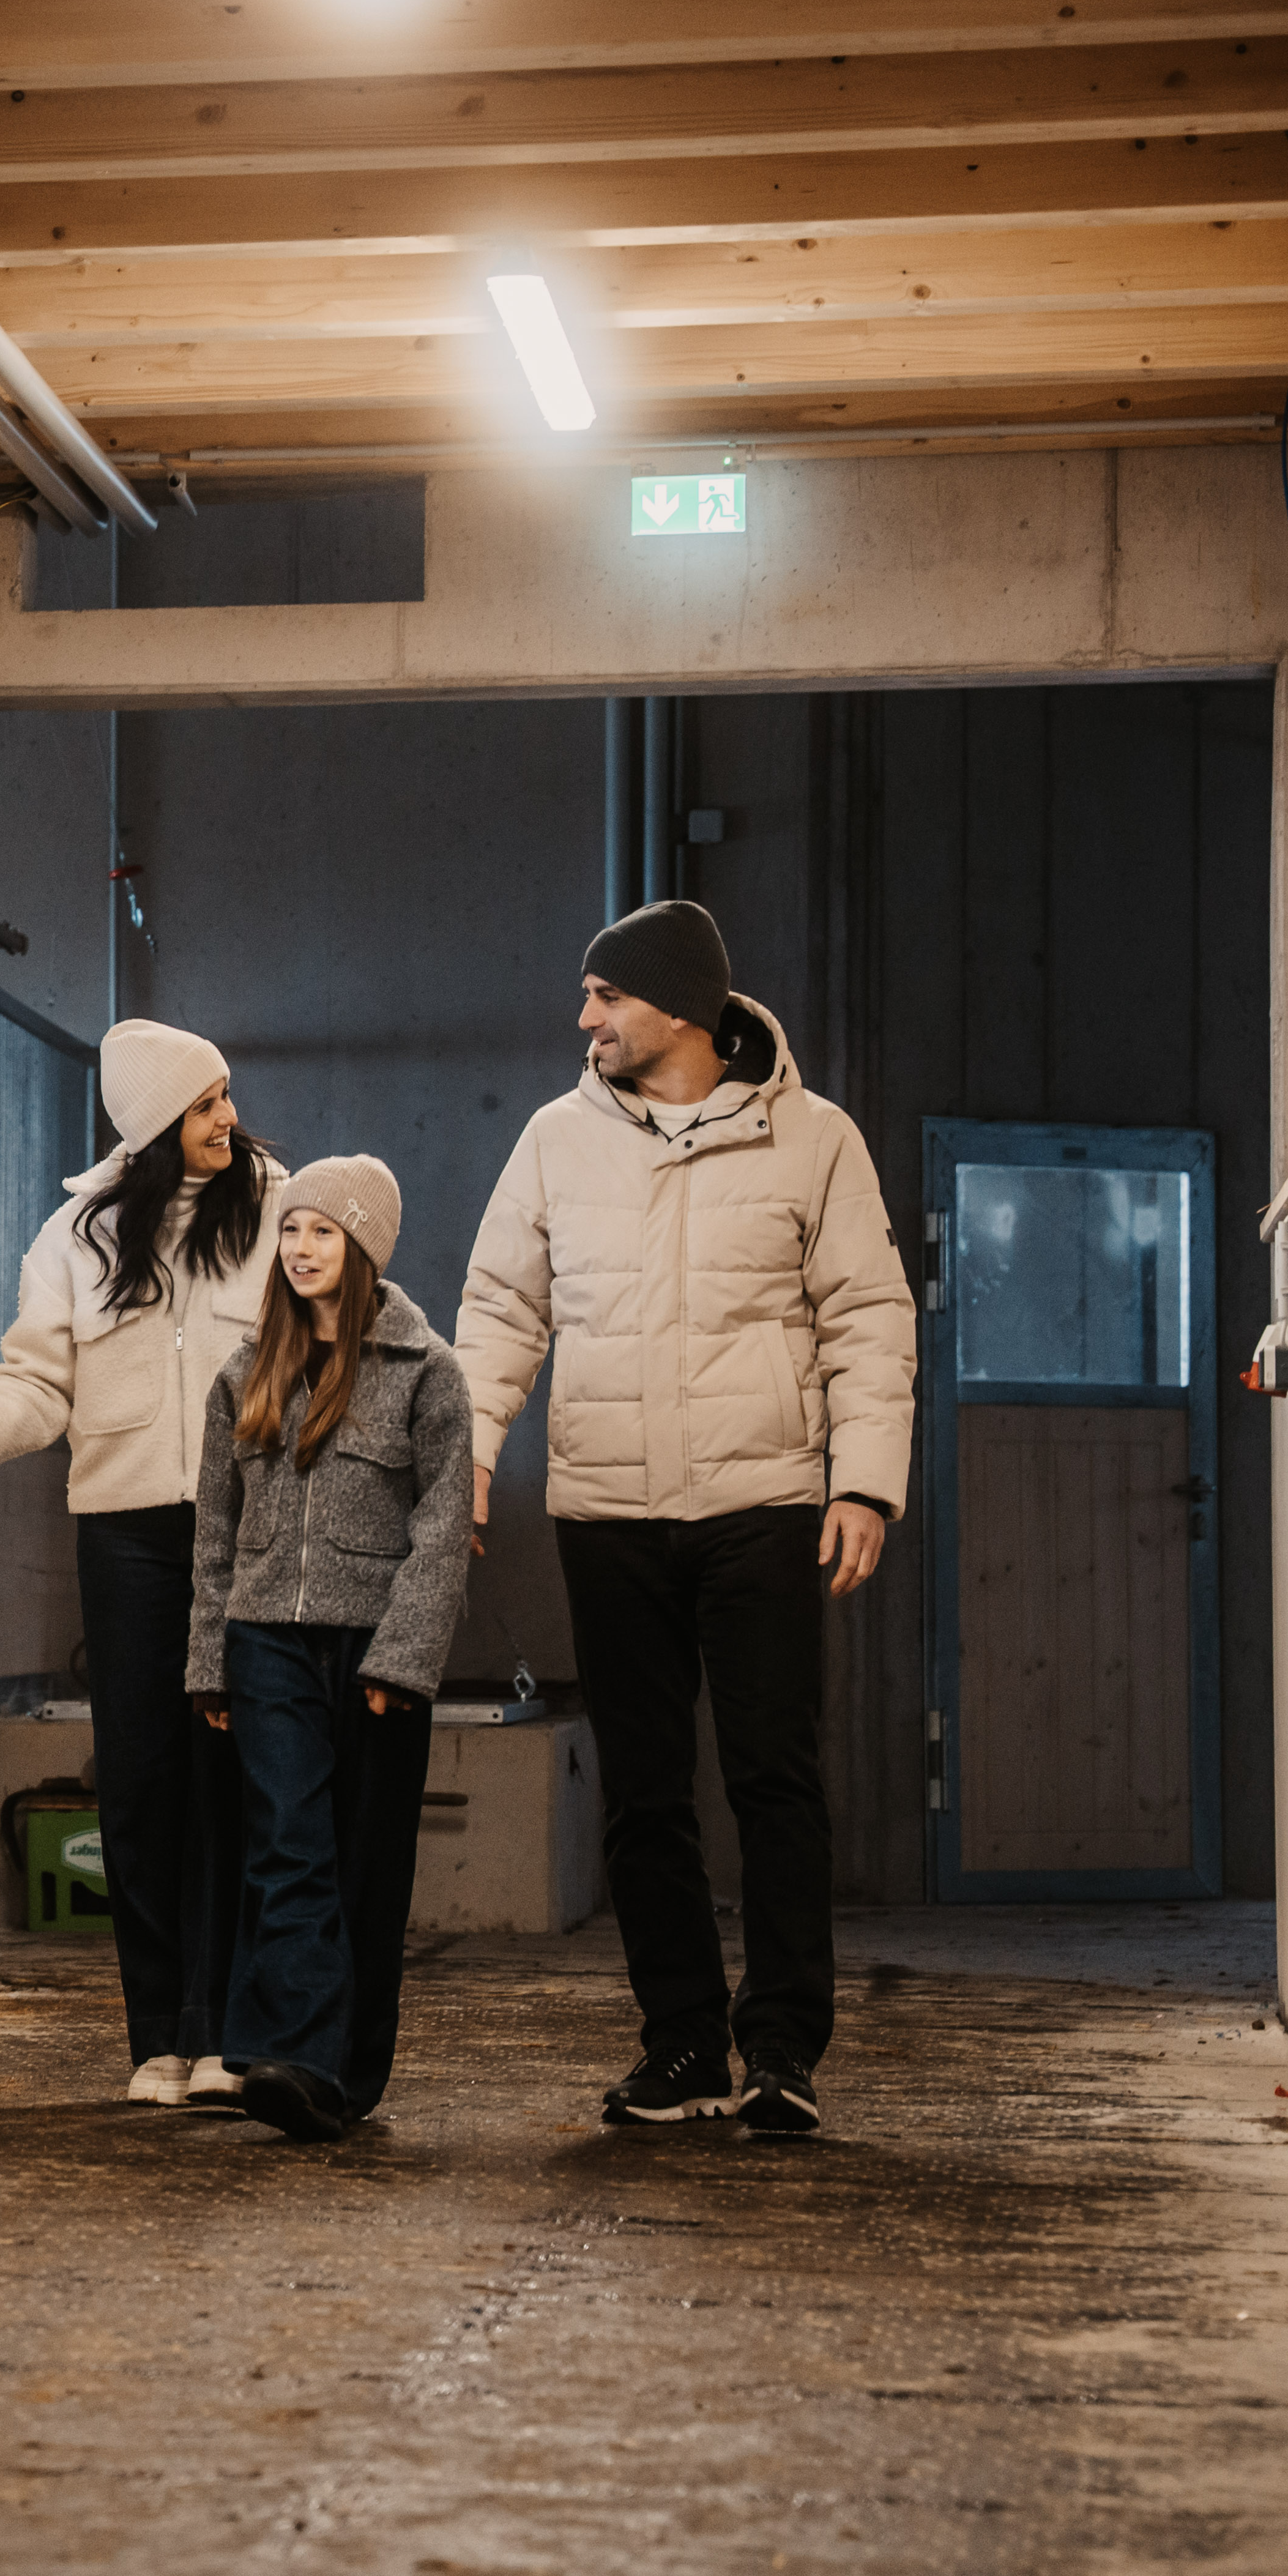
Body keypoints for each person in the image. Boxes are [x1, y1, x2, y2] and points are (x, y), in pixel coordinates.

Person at [451, 899, 915, 2138]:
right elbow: (501, 1310)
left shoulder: (812, 1141)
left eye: (606, 995)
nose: (586, 1016)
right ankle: (682, 2049)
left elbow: (867, 1317)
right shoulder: (555, 1141)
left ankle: (781, 2053)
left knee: (776, 1781)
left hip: (763, 1504)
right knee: (643, 1792)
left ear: (678, 1007)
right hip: (607, 1509)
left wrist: (864, 1479)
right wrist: (470, 1455)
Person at [0, 1022, 281, 2110]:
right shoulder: (73, 1240)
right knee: (142, 1781)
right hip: (123, 1536)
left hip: (242, 1527)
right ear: (160, 1124)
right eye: (209, 1105)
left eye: (227, 1097)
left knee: (234, 1783)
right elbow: (41, 1386)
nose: (230, 1120)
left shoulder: (271, 1212)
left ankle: (227, 2033)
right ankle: (157, 2038)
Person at [183, 1156, 474, 2143]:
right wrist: (210, 1661)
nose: (301, 1250)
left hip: (373, 1645)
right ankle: (294, 2058)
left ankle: (345, 2073)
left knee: (367, 1857)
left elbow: (442, 1527)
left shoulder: (427, 1374)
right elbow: (214, 1535)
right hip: (265, 1638)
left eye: (323, 1234)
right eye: (291, 1231)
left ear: (363, 1249)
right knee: (289, 1844)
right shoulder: (243, 1373)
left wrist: (403, 1658)